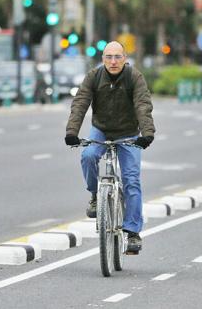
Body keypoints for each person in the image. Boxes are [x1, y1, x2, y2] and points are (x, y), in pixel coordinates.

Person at [65, 41, 155, 253]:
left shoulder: (135, 77)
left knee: (131, 180)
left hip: (128, 133)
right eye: (108, 57)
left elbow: (143, 105)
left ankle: (132, 232)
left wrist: (147, 134)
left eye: (117, 57)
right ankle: (96, 196)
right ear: (103, 59)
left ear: (125, 58)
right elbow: (80, 103)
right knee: (88, 155)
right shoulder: (94, 77)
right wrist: (72, 132)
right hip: (101, 129)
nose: (113, 61)